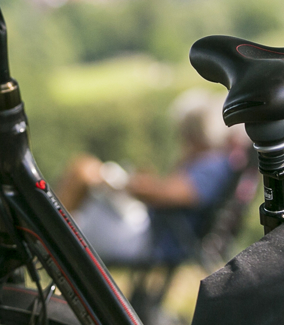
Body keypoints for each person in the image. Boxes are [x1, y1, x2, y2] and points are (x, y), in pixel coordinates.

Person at [57, 89, 258, 266]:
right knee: (83, 176)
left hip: (150, 242)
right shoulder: (219, 164)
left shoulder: (213, 166)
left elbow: (167, 194)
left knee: (83, 170)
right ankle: (50, 233)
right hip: (152, 236)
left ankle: (48, 236)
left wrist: (128, 183)